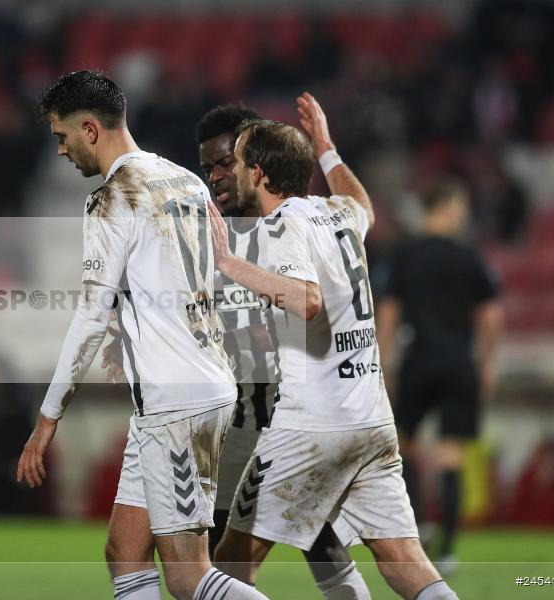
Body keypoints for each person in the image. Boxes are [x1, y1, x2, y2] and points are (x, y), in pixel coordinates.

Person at [16, 70, 269, 600]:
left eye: (62, 136)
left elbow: (90, 315)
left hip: (177, 400)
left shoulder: (112, 199)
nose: (61, 150)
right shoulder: (187, 181)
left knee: (188, 575)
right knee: (125, 553)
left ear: (90, 130)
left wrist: (47, 419)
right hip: (188, 389)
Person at [209, 93, 459, 600]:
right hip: (370, 420)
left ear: (257, 173)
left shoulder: (282, 224)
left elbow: (306, 300)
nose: (230, 171)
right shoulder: (336, 212)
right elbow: (365, 206)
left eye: (236, 161)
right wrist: (327, 148)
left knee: (229, 565)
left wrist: (230, 265)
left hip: (310, 426)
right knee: (405, 563)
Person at [196, 104, 369, 599]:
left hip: (293, 419)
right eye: (208, 167)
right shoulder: (204, 237)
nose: (216, 176)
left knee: (247, 558)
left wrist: (327, 149)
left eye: (226, 163)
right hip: (235, 425)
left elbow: (359, 218)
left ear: (254, 165)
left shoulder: (299, 223)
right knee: (303, 545)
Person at [376, 180, 502, 574]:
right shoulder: (469, 257)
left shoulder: (404, 256)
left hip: (418, 361)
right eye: (460, 205)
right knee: (451, 455)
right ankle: (446, 552)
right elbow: (491, 317)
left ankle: (419, 525)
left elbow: (389, 315)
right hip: (459, 364)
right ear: (445, 205)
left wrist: (384, 366)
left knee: (404, 445)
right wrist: (486, 363)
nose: (464, 213)